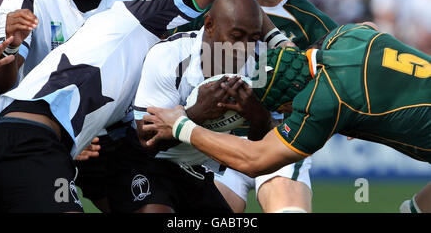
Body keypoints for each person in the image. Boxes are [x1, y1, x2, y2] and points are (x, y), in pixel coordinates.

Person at [0, 0, 284, 212]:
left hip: (56, 144)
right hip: (29, 137)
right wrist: (279, 40)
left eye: (253, 39)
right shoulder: (140, 23)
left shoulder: (139, 62)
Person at [142, 23, 431, 213]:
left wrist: (181, 126)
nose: (287, 113)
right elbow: (368, 26)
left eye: (284, 108)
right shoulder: (346, 35)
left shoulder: (323, 103)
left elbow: (253, 160)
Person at [172, 0, 338, 213]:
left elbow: (343, 78)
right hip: (213, 145)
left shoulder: (315, 24)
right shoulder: (210, 6)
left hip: (280, 143)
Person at [0, 0, 148, 212]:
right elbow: (2, 82)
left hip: (108, 140)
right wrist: (11, 50)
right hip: (41, 137)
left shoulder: (134, 0)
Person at [132, 0, 272, 213]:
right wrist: (197, 113)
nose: (243, 48)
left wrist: (258, 116)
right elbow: (146, 140)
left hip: (196, 168)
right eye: (236, 37)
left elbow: (264, 147)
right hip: (146, 163)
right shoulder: (169, 57)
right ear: (209, 25)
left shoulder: (258, 67)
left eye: (253, 39)